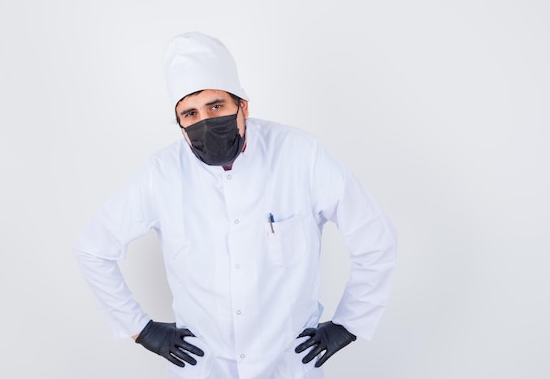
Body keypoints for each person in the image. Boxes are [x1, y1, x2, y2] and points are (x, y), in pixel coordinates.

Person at [74, 32, 397, 379]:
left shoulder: (302, 155)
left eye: (216, 106)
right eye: (190, 113)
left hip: (287, 366)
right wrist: (141, 329)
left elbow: (375, 239)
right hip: (202, 367)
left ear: (242, 106)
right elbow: (93, 249)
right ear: (180, 124)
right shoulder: (161, 173)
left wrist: (349, 323)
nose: (205, 122)